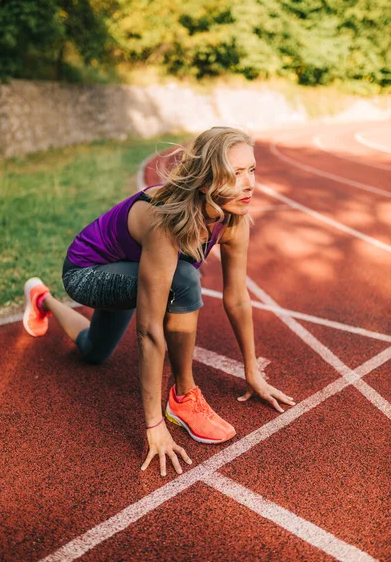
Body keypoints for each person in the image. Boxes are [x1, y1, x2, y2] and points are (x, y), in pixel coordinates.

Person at [23, 126, 295, 477]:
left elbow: (238, 298)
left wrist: (252, 371)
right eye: (234, 174)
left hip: (132, 269)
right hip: (86, 272)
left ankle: (42, 299)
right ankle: (183, 397)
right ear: (205, 179)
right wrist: (153, 426)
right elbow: (149, 331)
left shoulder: (233, 218)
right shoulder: (167, 221)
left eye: (251, 170)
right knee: (183, 281)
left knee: (94, 352)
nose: (249, 184)